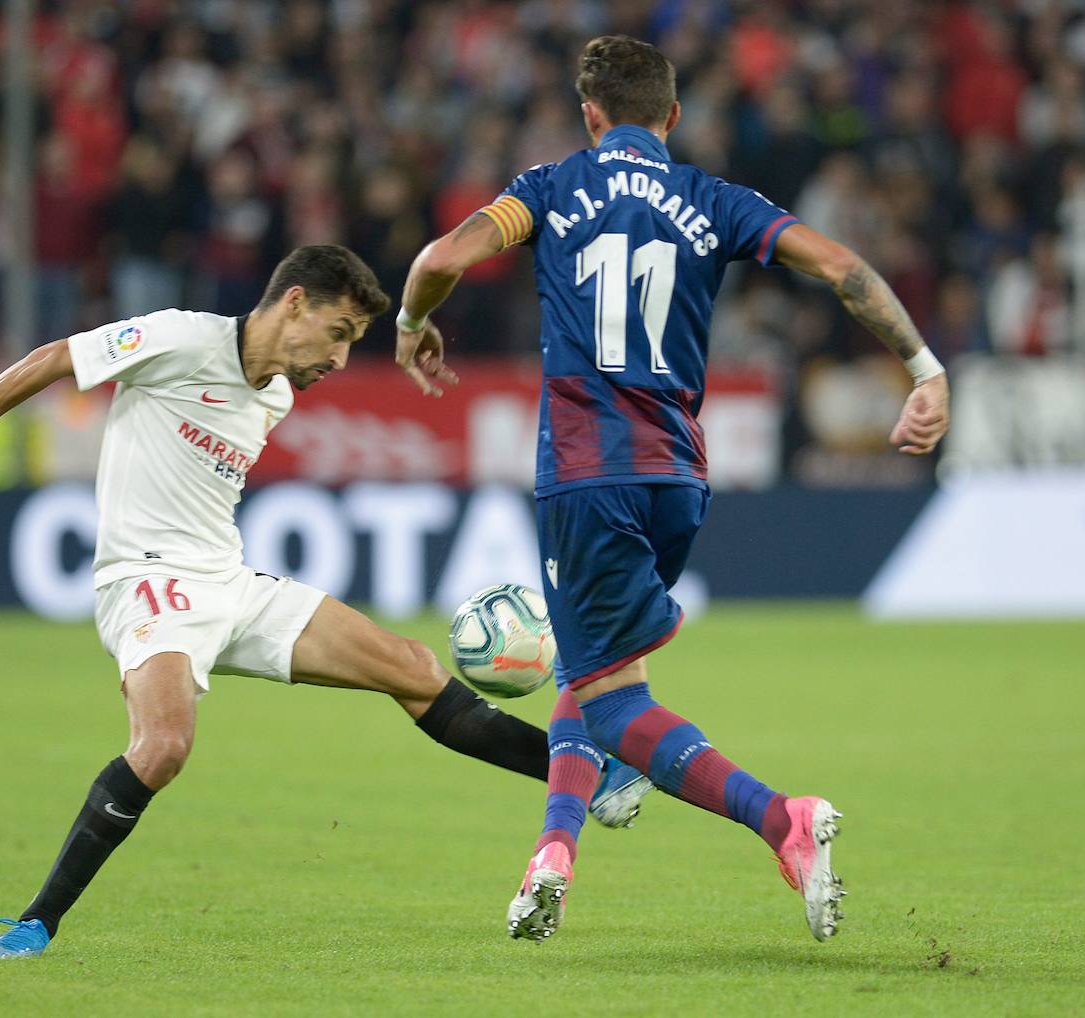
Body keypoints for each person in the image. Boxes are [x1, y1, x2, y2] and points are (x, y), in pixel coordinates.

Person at [0, 245, 651, 959]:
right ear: (294, 303)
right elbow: (54, 358)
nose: (339, 358)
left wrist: (412, 333)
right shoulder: (180, 338)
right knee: (164, 746)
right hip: (145, 579)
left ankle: (589, 772)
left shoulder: (274, 392)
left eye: (352, 342)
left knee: (412, 667)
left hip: (228, 582)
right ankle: (37, 922)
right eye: (338, 334)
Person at [395, 36, 950, 943]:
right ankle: (554, 852)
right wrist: (924, 369)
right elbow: (845, 270)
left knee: (614, 704)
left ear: (590, 115)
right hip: (678, 477)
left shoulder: (549, 188)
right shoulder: (715, 199)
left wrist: (413, 322)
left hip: (586, 475)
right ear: (674, 116)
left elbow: (439, 259)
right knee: (595, 667)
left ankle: (781, 818)